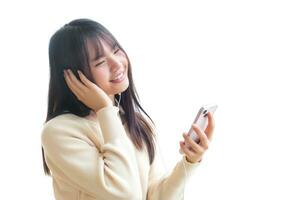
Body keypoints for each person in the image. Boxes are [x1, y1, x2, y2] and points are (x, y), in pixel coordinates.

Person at [41, 18, 215, 200]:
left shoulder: (136, 122)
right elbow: (123, 193)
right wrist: (104, 109)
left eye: (116, 50)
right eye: (100, 62)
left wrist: (189, 162)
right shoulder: (59, 131)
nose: (117, 64)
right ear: (74, 76)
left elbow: (155, 196)